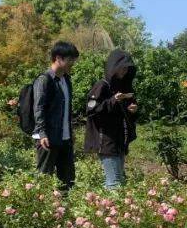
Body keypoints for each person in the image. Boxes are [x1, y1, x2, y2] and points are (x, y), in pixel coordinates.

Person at [84, 48, 138, 189]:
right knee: (114, 183)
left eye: (127, 69)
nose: (124, 72)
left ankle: (108, 208)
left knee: (119, 180)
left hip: (119, 141)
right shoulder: (102, 86)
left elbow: (125, 112)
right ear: (113, 67)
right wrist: (113, 100)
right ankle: (112, 210)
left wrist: (133, 110)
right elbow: (92, 110)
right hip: (107, 142)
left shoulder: (123, 86)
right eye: (121, 68)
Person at [32, 41, 80, 191]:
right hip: (48, 138)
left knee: (67, 180)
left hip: (64, 138)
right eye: (70, 59)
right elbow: (38, 108)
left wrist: (70, 132)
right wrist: (42, 133)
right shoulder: (44, 80)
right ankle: (38, 212)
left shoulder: (67, 80)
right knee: (44, 177)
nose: (73, 63)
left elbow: (66, 110)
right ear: (58, 58)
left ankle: (63, 212)